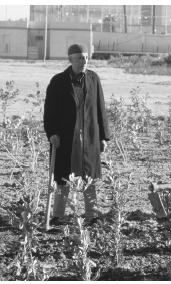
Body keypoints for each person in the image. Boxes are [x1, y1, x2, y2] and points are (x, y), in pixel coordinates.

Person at [44, 44, 110, 226]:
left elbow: (100, 108)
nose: (84, 61)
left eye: (86, 58)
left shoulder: (93, 78)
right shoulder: (58, 81)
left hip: (89, 135)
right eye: (80, 58)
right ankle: (57, 215)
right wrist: (52, 134)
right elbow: (49, 112)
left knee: (90, 175)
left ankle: (92, 215)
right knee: (63, 176)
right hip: (66, 136)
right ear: (71, 60)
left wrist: (103, 136)